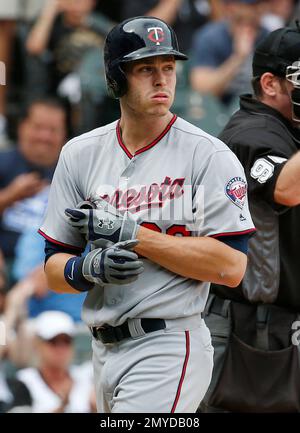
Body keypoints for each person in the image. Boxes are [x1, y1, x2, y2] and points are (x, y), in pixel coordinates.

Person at [39, 16, 255, 413]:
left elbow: (231, 267)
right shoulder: (79, 154)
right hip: (103, 349)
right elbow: (53, 267)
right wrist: (86, 270)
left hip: (169, 342)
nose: (162, 80)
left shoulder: (207, 154)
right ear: (116, 79)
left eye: (168, 68)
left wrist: (131, 233)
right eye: (145, 69)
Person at [200, 25, 300, 413]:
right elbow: (287, 188)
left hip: (280, 332)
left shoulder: (291, 133)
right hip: (248, 334)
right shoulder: (249, 132)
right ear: (271, 83)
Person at [0, 98, 67, 273]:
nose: (44, 137)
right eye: (38, 128)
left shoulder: (74, 171)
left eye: (53, 130)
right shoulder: (3, 162)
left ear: (64, 134)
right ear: (22, 127)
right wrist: (10, 195)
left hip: (51, 269)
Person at [190, 0, 268, 106]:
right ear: (230, 8)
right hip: (220, 110)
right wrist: (238, 57)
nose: (255, 10)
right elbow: (202, 90)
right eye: (249, 6)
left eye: (257, 4)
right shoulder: (210, 37)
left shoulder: (269, 37)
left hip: (258, 109)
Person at [16, 310, 95, 413]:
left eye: (66, 341)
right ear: (37, 343)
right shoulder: (24, 381)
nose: (61, 349)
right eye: (53, 342)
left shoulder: (85, 377)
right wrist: (62, 407)